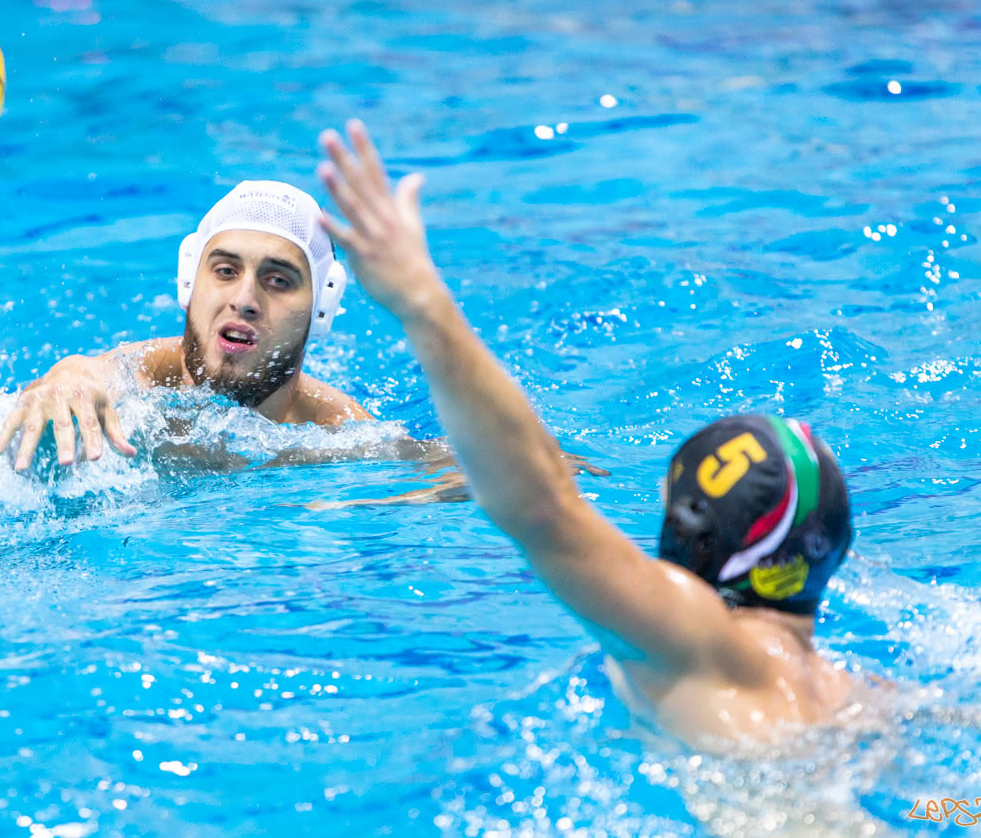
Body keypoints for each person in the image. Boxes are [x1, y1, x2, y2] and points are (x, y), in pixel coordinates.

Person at [314, 120, 859, 742]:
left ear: (696, 535)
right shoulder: (853, 693)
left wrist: (422, 301)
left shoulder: (691, 639)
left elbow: (541, 508)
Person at [0, 180, 373, 472]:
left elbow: (432, 483)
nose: (243, 299)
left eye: (278, 281)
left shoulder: (346, 441)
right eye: (225, 270)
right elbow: (90, 373)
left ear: (321, 308)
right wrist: (66, 378)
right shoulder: (140, 389)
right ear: (189, 281)